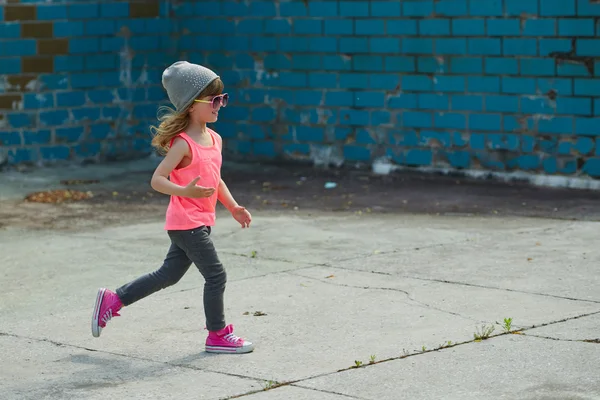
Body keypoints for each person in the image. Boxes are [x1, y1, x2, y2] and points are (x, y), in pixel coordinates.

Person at [91, 61, 254, 354]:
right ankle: (217, 334)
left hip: (199, 221)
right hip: (186, 222)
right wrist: (185, 191)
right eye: (214, 100)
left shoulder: (214, 139)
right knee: (216, 275)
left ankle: (114, 299)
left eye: (223, 99)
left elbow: (216, 180)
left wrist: (232, 207)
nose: (220, 105)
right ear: (192, 105)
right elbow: (157, 180)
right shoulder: (183, 145)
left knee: (169, 274)